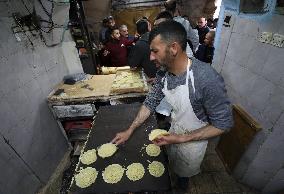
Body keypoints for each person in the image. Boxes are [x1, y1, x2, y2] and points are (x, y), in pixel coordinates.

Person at [112, 20, 233, 191]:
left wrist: (183, 138)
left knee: (184, 173)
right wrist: (130, 130)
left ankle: (182, 186)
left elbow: (223, 124)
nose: (151, 57)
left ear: (174, 48)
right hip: (175, 129)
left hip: (193, 140)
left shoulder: (206, 79)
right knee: (173, 162)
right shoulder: (163, 73)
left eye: (155, 51)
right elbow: (151, 101)